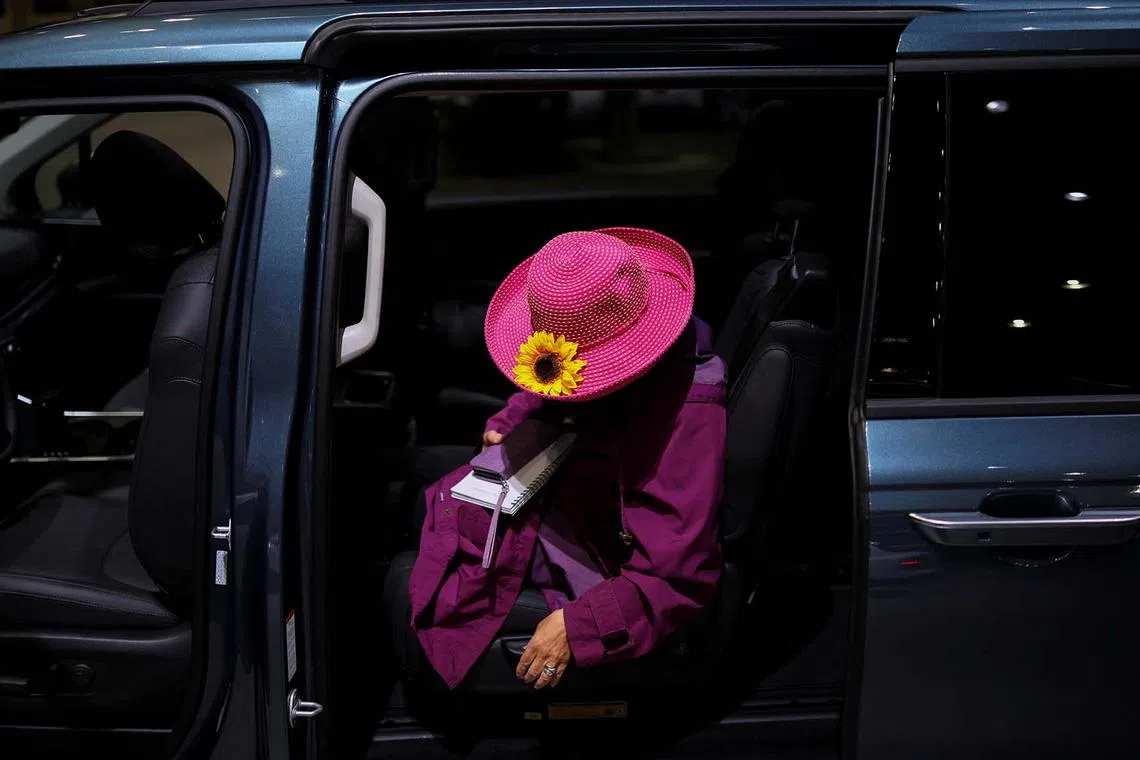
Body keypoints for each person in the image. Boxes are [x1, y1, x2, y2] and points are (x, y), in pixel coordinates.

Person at [398, 227, 727, 693]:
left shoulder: (686, 412)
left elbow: (678, 572)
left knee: (419, 582)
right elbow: (562, 387)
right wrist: (514, 420)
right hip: (572, 488)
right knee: (428, 498)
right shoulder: (625, 355)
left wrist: (581, 623)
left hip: (605, 548)